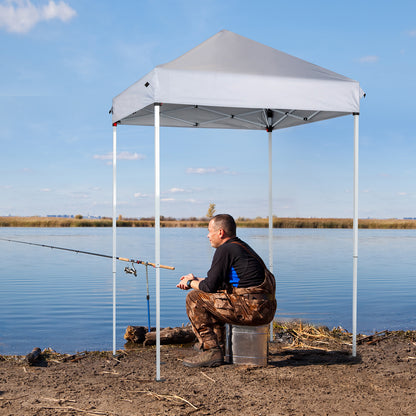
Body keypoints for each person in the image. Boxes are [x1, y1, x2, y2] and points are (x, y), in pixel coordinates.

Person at [177, 214, 276, 367]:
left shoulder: (225, 249)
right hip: (262, 309)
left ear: (220, 233)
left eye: (210, 231)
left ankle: (212, 350)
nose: (208, 235)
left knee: (194, 298)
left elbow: (208, 288)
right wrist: (195, 279)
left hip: (251, 311)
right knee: (213, 296)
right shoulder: (240, 247)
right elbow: (216, 284)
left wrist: (190, 283)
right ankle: (219, 345)